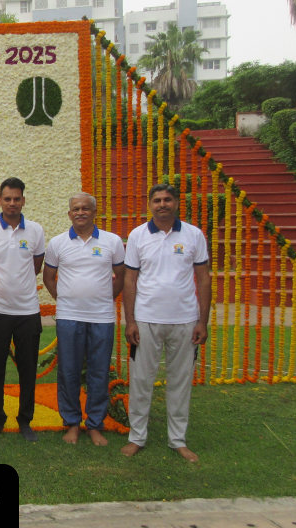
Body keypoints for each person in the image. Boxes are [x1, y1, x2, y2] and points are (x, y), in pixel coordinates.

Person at [123, 183, 212, 462]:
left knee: (180, 381)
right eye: (157, 200)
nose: (162, 204)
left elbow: (204, 279)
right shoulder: (138, 235)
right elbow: (129, 279)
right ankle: (137, 437)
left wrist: (202, 321)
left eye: (168, 200)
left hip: (185, 321)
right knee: (141, 380)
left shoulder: (193, 235)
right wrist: (130, 321)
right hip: (146, 319)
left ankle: (178, 440)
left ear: (176, 203)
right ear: (149, 204)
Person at [43, 192, 123, 447]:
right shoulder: (57, 243)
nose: (80, 212)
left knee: (99, 372)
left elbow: (121, 277)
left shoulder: (112, 241)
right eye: (75, 208)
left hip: (102, 318)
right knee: (69, 371)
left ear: (94, 212)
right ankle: (72, 424)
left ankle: (95, 425)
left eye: (86, 208)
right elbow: (48, 277)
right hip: (69, 318)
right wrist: (65, 300)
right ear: (69, 214)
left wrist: (103, 300)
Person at [0, 178, 47, 441]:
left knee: (28, 369)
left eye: (17, 198)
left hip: (27, 311)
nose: (12, 203)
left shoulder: (36, 231)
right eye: (7, 199)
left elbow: (36, 267)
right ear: (0, 201)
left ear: (23, 200)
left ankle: (25, 420)